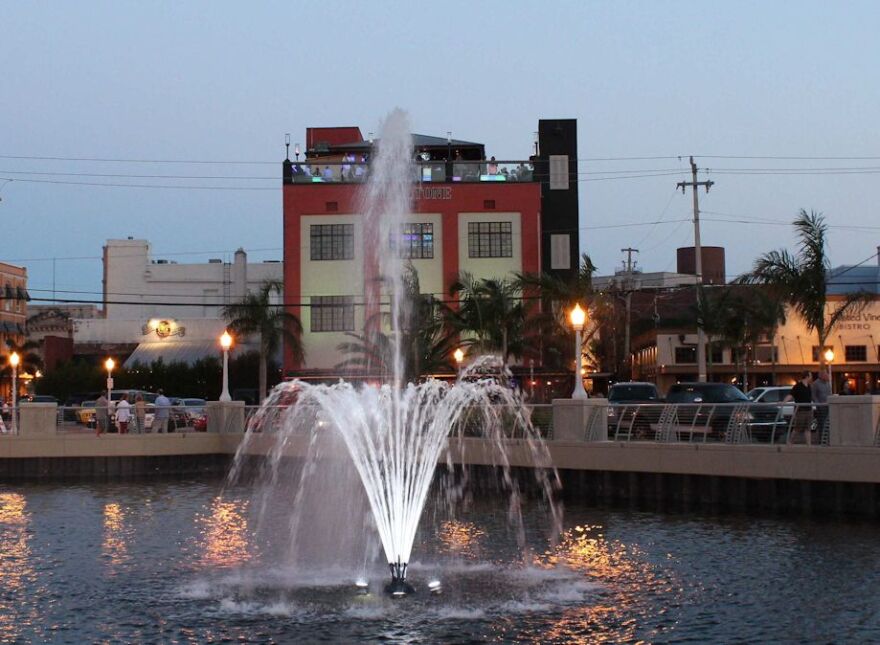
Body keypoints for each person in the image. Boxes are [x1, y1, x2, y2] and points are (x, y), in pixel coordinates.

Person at [784, 371, 813, 444]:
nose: (811, 377)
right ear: (807, 376)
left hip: (809, 410)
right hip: (800, 410)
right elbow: (791, 395)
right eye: (810, 375)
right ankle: (790, 441)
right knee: (798, 428)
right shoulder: (797, 386)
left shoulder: (809, 386)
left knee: (808, 428)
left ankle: (809, 444)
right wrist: (783, 402)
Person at [811, 369, 831, 443]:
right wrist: (818, 404)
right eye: (826, 374)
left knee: (828, 424)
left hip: (828, 406)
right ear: (821, 375)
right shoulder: (815, 384)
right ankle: (821, 440)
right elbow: (813, 396)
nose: (827, 376)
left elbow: (829, 393)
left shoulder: (828, 383)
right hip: (821, 407)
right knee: (822, 424)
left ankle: (828, 440)